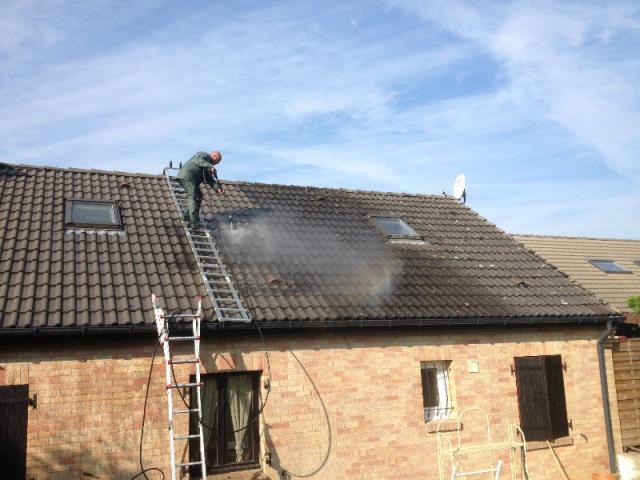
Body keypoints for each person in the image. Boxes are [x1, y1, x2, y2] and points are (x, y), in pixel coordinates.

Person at [177, 150, 224, 227]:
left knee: (199, 195)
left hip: (191, 180)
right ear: (214, 156)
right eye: (217, 161)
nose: (216, 164)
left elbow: (209, 180)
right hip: (187, 177)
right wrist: (210, 166)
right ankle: (194, 222)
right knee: (194, 196)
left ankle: (186, 217)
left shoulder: (207, 167)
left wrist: (218, 189)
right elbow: (198, 160)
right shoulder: (203, 155)